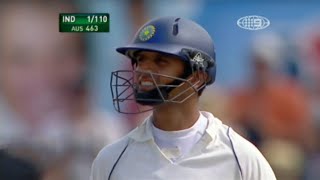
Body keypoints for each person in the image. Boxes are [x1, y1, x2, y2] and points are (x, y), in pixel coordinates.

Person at [91, 16, 276, 180]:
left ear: (197, 77)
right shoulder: (111, 160)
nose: (142, 70)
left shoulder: (241, 158)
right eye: (140, 60)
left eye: (160, 61)